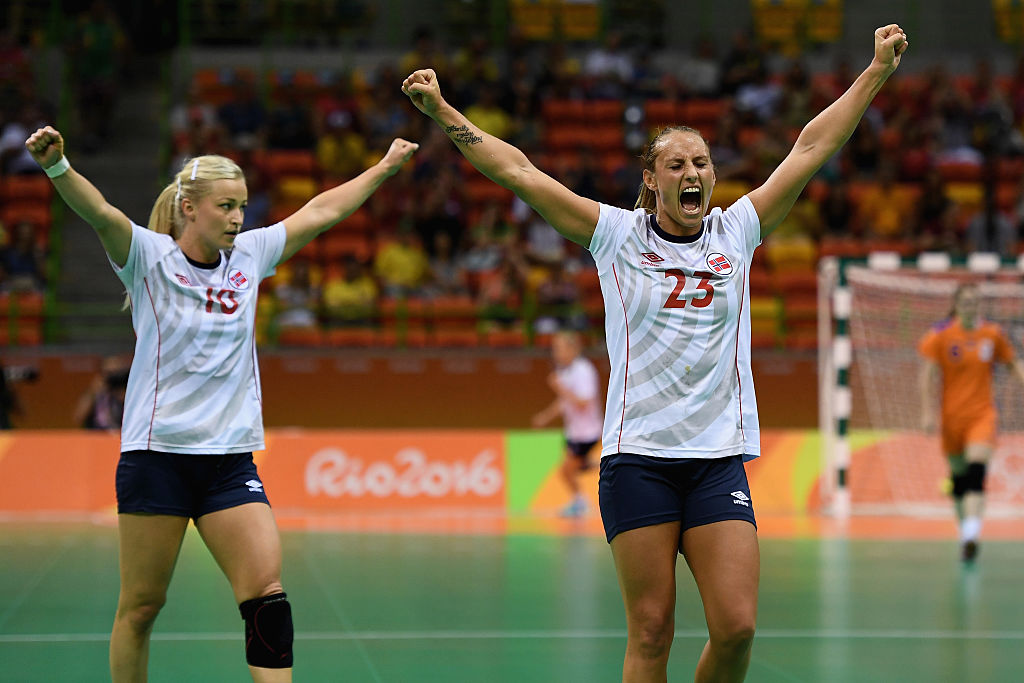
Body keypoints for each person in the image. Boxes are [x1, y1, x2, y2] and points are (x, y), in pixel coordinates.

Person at [403, 23, 907, 682]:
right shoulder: (615, 236)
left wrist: (875, 72)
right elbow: (519, 172)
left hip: (717, 460)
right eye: (677, 164)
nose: (692, 172)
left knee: (737, 625)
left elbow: (812, 146)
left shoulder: (737, 231)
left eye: (701, 162)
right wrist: (442, 112)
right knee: (651, 629)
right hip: (638, 457)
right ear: (652, 179)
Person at [25, 124, 416, 682]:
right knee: (140, 607)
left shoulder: (250, 256)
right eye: (225, 206)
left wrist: (383, 168)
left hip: (230, 461)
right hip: (157, 457)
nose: (237, 217)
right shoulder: (149, 258)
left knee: (268, 598)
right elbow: (103, 215)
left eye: (242, 206)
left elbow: (320, 213)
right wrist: (58, 167)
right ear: (189, 208)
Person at [918, 283, 1024, 562]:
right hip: (952, 419)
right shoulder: (940, 334)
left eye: (974, 301)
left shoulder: (993, 333)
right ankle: (966, 531)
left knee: (977, 470)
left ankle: (972, 535)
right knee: (959, 481)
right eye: (965, 301)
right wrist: (927, 413)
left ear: (979, 305)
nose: (970, 306)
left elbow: (1013, 365)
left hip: (983, 415)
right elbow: (927, 375)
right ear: (956, 304)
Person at [531, 330, 603, 517]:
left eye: (560, 348)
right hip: (574, 431)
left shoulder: (583, 370)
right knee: (575, 467)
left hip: (587, 432)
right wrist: (544, 418)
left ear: (573, 349)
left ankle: (581, 503)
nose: (556, 353)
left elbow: (583, 402)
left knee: (566, 470)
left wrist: (559, 387)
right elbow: (564, 403)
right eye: (554, 349)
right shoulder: (565, 371)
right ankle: (595, 466)